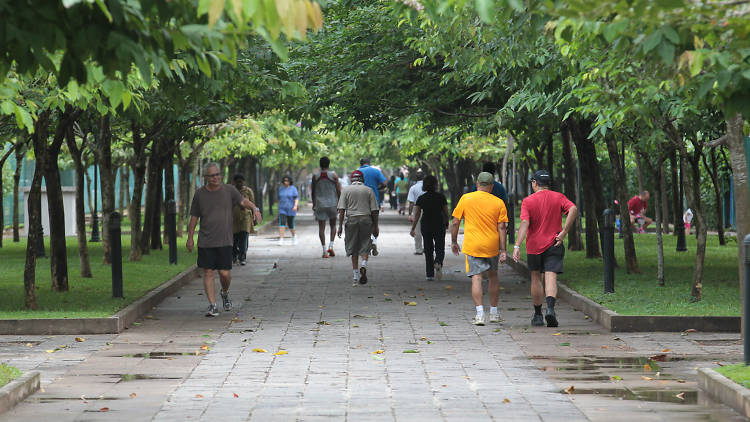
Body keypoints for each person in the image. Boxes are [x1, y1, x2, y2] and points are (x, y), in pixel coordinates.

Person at [187, 162, 262, 317]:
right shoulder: (200, 194)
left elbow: (243, 201)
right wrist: (190, 238)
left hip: (225, 240)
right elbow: (194, 217)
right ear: (206, 177)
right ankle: (212, 305)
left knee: (224, 274)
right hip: (206, 240)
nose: (215, 178)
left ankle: (224, 292)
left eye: (217, 174)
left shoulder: (229, 190)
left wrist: (254, 208)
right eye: (212, 175)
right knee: (208, 272)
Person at [512, 170, 578, 328]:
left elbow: (525, 223)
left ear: (534, 183)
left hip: (534, 246)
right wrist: (564, 232)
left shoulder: (528, 201)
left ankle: (537, 315)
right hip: (554, 243)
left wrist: (516, 245)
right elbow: (573, 209)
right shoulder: (559, 197)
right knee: (551, 276)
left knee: (536, 277)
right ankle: (550, 309)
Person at [450, 172, 508, 326]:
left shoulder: (466, 198)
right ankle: (494, 313)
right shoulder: (498, 202)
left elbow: (455, 222)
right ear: (491, 186)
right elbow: (502, 226)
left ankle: (480, 314)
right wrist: (503, 250)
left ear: (477, 184)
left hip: (473, 245)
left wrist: (454, 241)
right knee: (493, 277)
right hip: (492, 245)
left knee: (476, 278)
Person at [337, 170, 379, 286]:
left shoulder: (346, 190)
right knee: (365, 244)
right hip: (366, 220)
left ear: (352, 179)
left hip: (352, 220)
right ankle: (364, 265)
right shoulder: (368, 190)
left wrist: (340, 226)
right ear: (362, 179)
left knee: (353, 247)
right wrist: (376, 226)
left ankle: (355, 278)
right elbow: (374, 210)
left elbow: (341, 210)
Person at [411, 175, 449, 281]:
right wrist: (447, 222)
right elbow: (446, 212)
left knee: (428, 249)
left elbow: (417, 214)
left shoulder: (421, 198)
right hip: (439, 224)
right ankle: (438, 262)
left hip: (426, 225)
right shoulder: (441, 197)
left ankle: (429, 274)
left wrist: (413, 228)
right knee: (440, 247)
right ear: (435, 185)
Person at [311, 156, 342, 258]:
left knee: (321, 228)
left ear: (320, 164)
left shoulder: (315, 176)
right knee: (333, 225)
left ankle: (324, 251)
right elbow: (338, 190)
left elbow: (313, 191)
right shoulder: (333, 175)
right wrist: (340, 202)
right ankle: (331, 246)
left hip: (320, 204)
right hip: (332, 204)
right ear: (329, 164)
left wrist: (314, 203)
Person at [358, 158, 386, 255]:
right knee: (375, 223)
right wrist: (378, 188)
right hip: (374, 200)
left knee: (363, 223)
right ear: (369, 163)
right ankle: (374, 241)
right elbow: (384, 183)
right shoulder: (376, 171)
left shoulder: (357, 172)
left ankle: (366, 245)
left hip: (361, 201)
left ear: (360, 164)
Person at [232, 174, 256, 266]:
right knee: (234, 238)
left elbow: (253, 204)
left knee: (244, 236)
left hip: (246, 217)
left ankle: (242, 257)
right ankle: (234, 254)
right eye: (237, 182)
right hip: (233, 218)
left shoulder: (248, 191)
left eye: (241, 182)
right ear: (235, 182)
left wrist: (254, 217)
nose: (239, 183)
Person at [407, 170, 426, 255]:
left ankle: (419, 249)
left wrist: (410, 214)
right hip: (428, 209)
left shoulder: (413, 188)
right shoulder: (427, 187)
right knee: (427, 228)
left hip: (416, 208)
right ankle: (427, 247)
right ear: (424, 177)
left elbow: (411, 202)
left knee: (417, 229)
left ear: (416, 178)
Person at [278, 176, 299, 244]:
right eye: (284, 181)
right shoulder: (281, 189)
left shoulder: (293, 189)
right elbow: (278, 198)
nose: (285, 182)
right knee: (282, 222)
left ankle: (294, 236)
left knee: (290, 224)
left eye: (287, 181)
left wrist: (295, 206)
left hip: (291, 208)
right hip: (282, 208)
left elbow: (296, 198)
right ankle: (281, 239)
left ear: (290, 181)